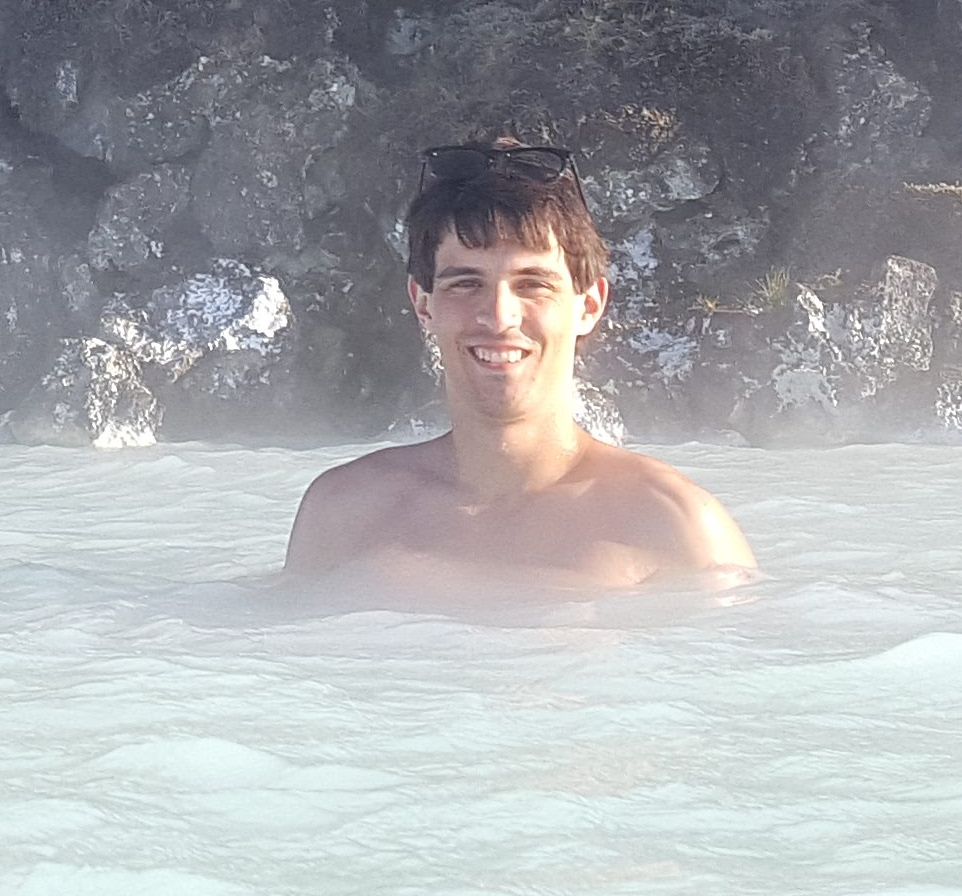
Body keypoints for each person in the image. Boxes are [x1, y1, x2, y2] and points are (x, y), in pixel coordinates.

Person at [282, 140, 755, 591]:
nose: (498, 316)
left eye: (533, 284)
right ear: (423, 304)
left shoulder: (675, 527)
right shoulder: (344, 513)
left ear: (589, 305)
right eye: (466, 283)